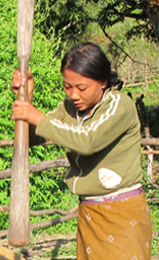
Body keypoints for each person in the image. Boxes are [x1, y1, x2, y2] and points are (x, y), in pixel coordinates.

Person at [11, 42, 152, 259]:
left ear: (103, 82)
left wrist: (36, 116)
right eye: (68, 87)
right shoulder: (68, 109)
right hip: (90, 214)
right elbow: (32, 137)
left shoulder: (119, 105)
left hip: (122, 214)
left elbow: (88, 141)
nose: (74, 95)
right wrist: (26, 99)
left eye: (82, 88)